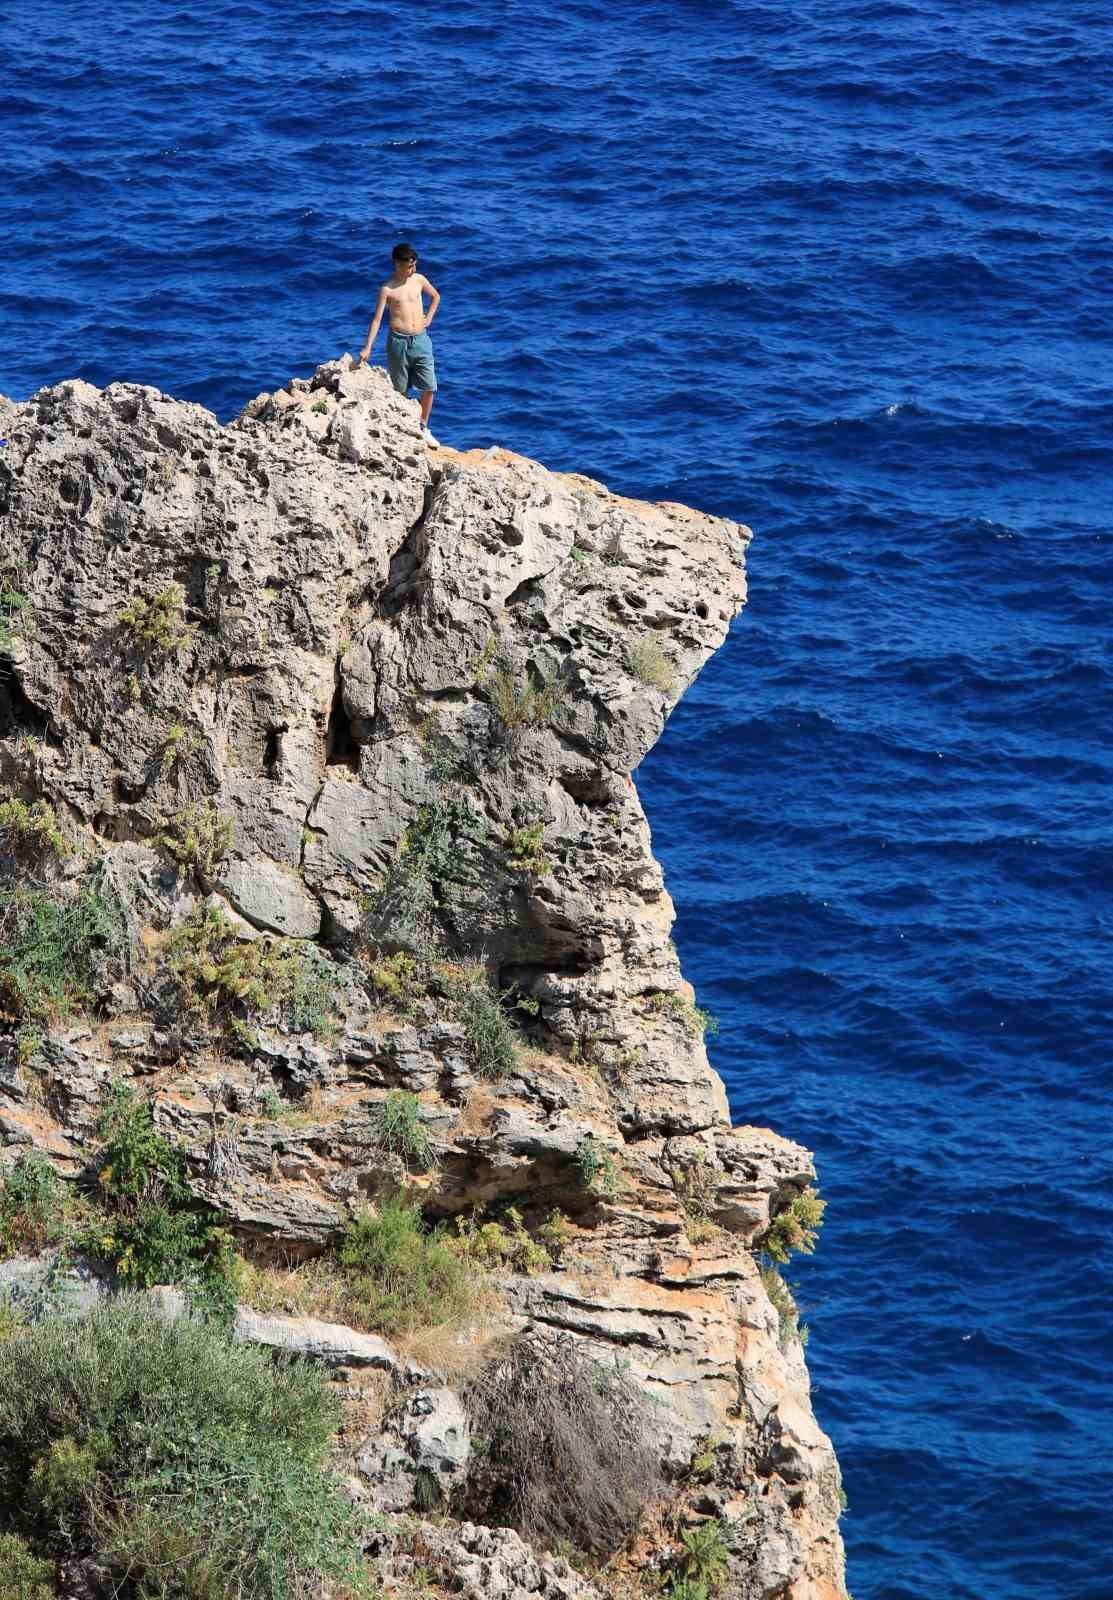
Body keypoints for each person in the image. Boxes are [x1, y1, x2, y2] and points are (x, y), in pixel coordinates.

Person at [353, 242, 441, 442]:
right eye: (409, 266)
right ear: (397, 264)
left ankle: (423, 425)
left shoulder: (419, 280)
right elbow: (376, 320)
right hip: (398, 342)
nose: (413, 269)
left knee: (429, 386)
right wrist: (367, 347)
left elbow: (435, 296)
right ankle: (404, 428)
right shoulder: (387, 289)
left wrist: (429, 318)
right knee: (400, 389)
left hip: (421, 340)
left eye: (414, 265)